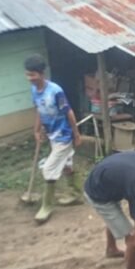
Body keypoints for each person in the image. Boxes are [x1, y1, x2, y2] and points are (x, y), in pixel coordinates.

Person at [24, 54, 83, 224]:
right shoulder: (34, 90)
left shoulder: (55, 91)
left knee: (49, 169)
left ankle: (46, 206)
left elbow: (69, 112)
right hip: (51, 134)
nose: (30, 78)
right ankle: (76, 195)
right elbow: (39, 111)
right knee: (66, 165)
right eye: (27, 74)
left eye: (33, 75)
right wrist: (36, 130)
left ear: (42, 74)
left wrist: (76, 134)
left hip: (63, 136)